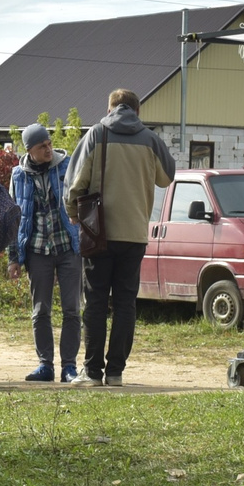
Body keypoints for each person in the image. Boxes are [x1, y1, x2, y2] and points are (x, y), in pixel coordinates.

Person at [64, 88, 175, 387]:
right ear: (137, 111)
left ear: (111, 108)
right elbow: (167, 175)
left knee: (96, 301)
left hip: (98, 231)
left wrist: (73, 211)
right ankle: (116, 372)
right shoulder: (150, 139)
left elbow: (76, 181)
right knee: (126, 302)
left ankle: (92, 372)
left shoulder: (97, 134)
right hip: (135, 232)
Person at [10, 122, 83, 383]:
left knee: (72, 308)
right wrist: (14, 258)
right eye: (42, 146)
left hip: (68, 247)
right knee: (40, 310)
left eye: (50, 144)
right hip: (37, 250)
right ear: (30, 149)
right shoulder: (19, 175)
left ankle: (69, 367)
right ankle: (45, 365)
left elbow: (82, 198)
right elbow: (13, 217)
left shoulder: (68, 165)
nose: (48, 149)